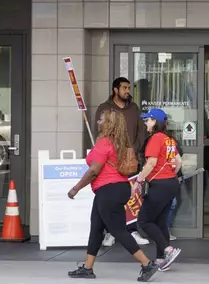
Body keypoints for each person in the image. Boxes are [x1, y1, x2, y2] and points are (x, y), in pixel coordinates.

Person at [66, 109, 159, 282]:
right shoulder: (120, 143)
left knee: (118, 231)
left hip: (108, 190)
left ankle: (147, 264)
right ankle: (88, 268)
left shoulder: (105, 143)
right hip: (118, 188)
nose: (98, 121)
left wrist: (76, 188)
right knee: (96, 228)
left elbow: (94, 171)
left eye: (101, 119)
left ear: (109, 123)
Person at [95, 77, 149, 247]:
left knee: (132, 195)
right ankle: (111, 231)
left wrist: (134, 148)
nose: (128, 91)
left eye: (128, 88)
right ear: (115, 90)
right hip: (110, 160)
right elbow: (100, 131)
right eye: (124, 88)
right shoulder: (104, 108)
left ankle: (132, 230)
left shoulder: (134, 108)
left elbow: (141, 132)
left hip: (131, 159)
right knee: (112, 197)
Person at [135, 108, 182, 272]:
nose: (146, 123)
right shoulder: (169, 140)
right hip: (171, 184)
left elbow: (151, 163)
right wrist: (170, 176)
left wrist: (139, 180)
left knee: (144, 220)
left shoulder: (155, 138)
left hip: (160, 185)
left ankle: (167, 250)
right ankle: (162, 259)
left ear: (155, 121)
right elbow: (179, 162)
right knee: (160, 221)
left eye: (148, 120)